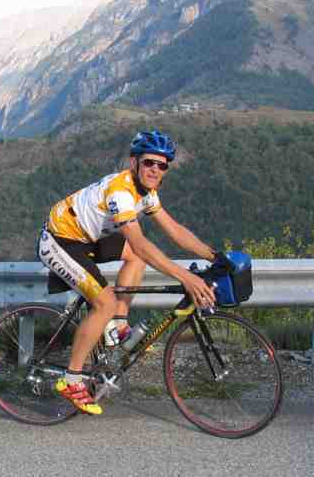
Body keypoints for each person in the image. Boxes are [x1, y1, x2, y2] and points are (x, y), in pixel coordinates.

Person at [37, 130, 217, 415]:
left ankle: (117, 325)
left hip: (87, 238)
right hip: (60, 239)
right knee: (105, 301)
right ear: (134, 162)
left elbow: (176, 231)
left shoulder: (148, 194)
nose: (155, 169)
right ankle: (70, 379)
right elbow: (141, 244)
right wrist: (186, 276)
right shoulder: (121, 192)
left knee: (133, 261)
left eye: (162, 165)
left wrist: (214, 255)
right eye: (149, 163)